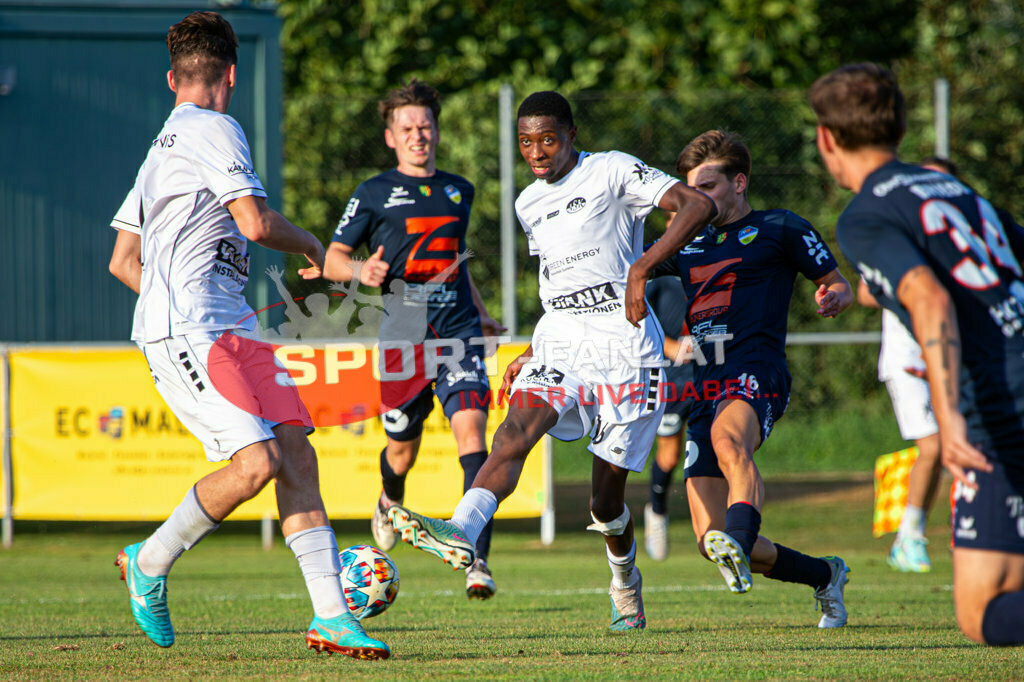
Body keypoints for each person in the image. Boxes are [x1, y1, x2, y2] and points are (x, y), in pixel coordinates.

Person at [106, 11, 389, 659]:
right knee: (257, 463)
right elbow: (256, 224)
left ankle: (330, 618)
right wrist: (314, 244)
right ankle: (150, 559)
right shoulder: (216, 128)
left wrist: (171, 298)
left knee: (295, 452)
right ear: (231, 75)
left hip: (230, 324)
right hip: (195, 328)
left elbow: (124, 261)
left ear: (172, 77)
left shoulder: (158, 153)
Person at [386, 90, 716, 631]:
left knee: (604, 502)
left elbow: (697, 206)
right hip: (563, 339)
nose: (537, 152)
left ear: (571, 137)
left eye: (548, 139)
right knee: (514, 430)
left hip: (625, 346)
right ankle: (462, 530)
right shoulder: (528, 203)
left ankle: (625, 579)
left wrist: (643, 269)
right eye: (526, 142)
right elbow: (558, 284)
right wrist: (537, 348)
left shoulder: (611, 172)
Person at [811, 62, 1024, 646]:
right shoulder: (959, 192)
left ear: (827, 139)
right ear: (898, 129)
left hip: (1000, 406)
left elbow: (928, 299)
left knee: (983, 614)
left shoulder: (867, 212)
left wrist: (949, 417)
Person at [645, 129, 854, 627]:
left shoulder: (781, 228)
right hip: (704, 381)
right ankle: (825, 575)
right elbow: (622, 274)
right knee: (707, 540)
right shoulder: (684, 243)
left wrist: (838, 295)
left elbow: (836, 281)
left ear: (740, 183)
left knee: (728, 440)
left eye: (710, 186)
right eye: (692, 190)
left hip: (756, 367)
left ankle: (738, 543)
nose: (699, 199)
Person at [322, 79, 505, 600]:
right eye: (407, 127)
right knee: (401, 450)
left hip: (460, 331)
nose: (418, 135)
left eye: (425, 125)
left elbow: (458, 259)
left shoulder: (458, 189)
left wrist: (484, 315)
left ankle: (476, 559)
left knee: (473, 438)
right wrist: (361, 271)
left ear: (437, 131)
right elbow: (334, 257)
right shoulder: (373, 193)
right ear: (390, 136)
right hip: (403, 338)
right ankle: (388, 500)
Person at [857, 280, 942, 572]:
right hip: (909, 361)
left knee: (967, 447)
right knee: (934, 447)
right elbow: (866, 292)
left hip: (949, 356)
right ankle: (910, 537)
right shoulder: (893, 238)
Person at [642, 275, 697, 561]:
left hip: (712, 374)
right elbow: (637, 314)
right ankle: (657, 511)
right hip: (673, 381)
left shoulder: (714, 256)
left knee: (720, 448)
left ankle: (730, 529)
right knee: (670, 455)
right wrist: (669, 346)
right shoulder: (657, 271)